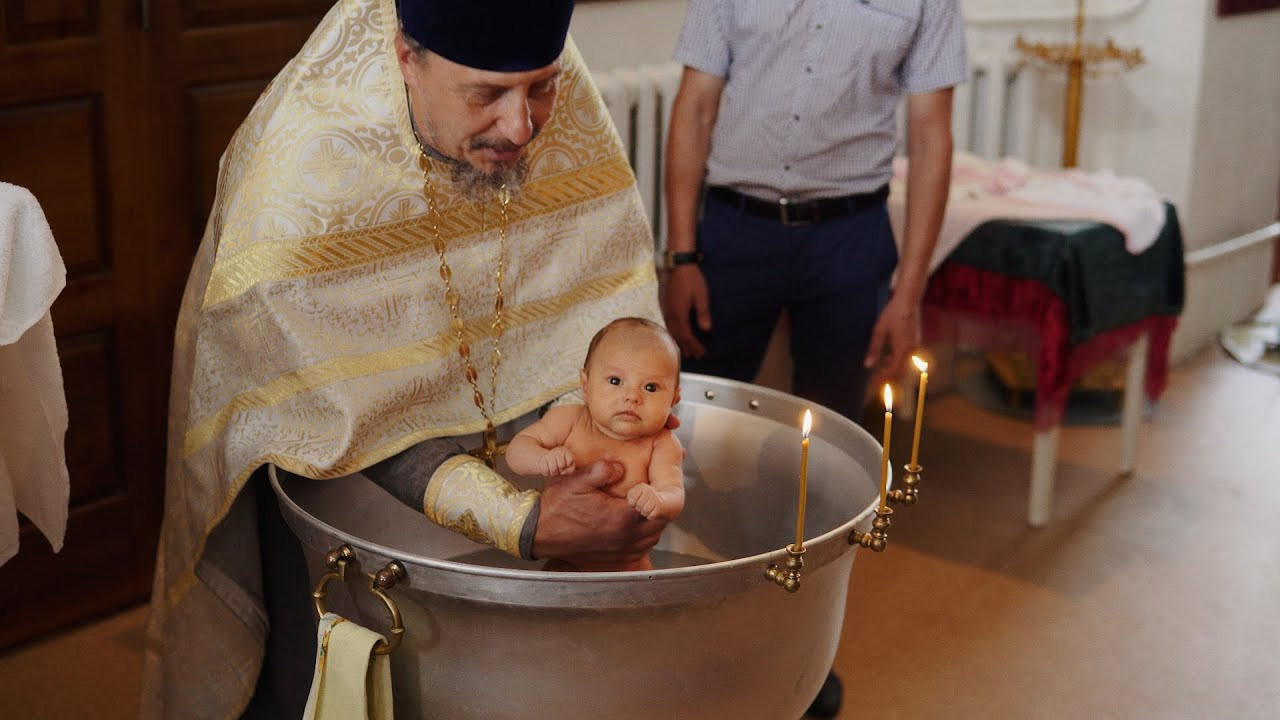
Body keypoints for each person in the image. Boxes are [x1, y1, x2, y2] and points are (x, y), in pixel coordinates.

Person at [142, 1, 669, 717]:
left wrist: (612, 457)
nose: (522, 128)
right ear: (404, 60)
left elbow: (600, 305)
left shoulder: (558, 96)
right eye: (485, 96)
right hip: (344, 506)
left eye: (542, 87)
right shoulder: (305, 162)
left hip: (528, 467)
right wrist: (515, 521)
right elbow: (327, 401)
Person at [660, 1, 968, 715]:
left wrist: (910, 290)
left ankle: (801, 655)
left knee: (828, 464)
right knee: (690, 438)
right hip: (733, 233)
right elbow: (695, 107)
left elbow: (931, 133)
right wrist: (681, 254)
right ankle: (682, 635)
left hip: (850, 240)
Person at [506, 317, 685, 571]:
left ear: (674, 398)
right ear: (585, 385)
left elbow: (674, 493)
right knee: (553, 589)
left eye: (651, 387)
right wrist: (541, 459)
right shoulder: (568, 420)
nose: (632, 397)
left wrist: (658, 500)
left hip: (628, 566)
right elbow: (516, 451)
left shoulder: (662, 444)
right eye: (615, 381)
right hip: (566, 560)